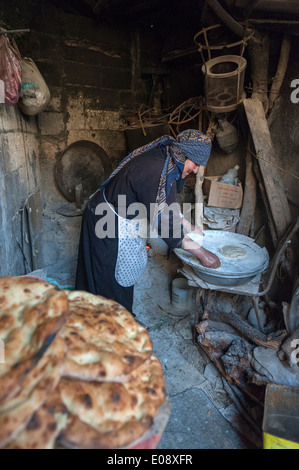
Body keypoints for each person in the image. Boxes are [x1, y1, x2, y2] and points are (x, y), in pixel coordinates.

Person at [75, 129, 220, 313]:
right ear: (183, 154)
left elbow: (168, 201)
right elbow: (167, 227)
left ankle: (121, 320)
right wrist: (202, 253)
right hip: (106, 220)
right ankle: (113, 328)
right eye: (195, 163)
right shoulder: (156, 171)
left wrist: (187, 225)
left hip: (118, 216)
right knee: (108, 279)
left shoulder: (169, 158)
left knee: (117, 279)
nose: (196, 169)